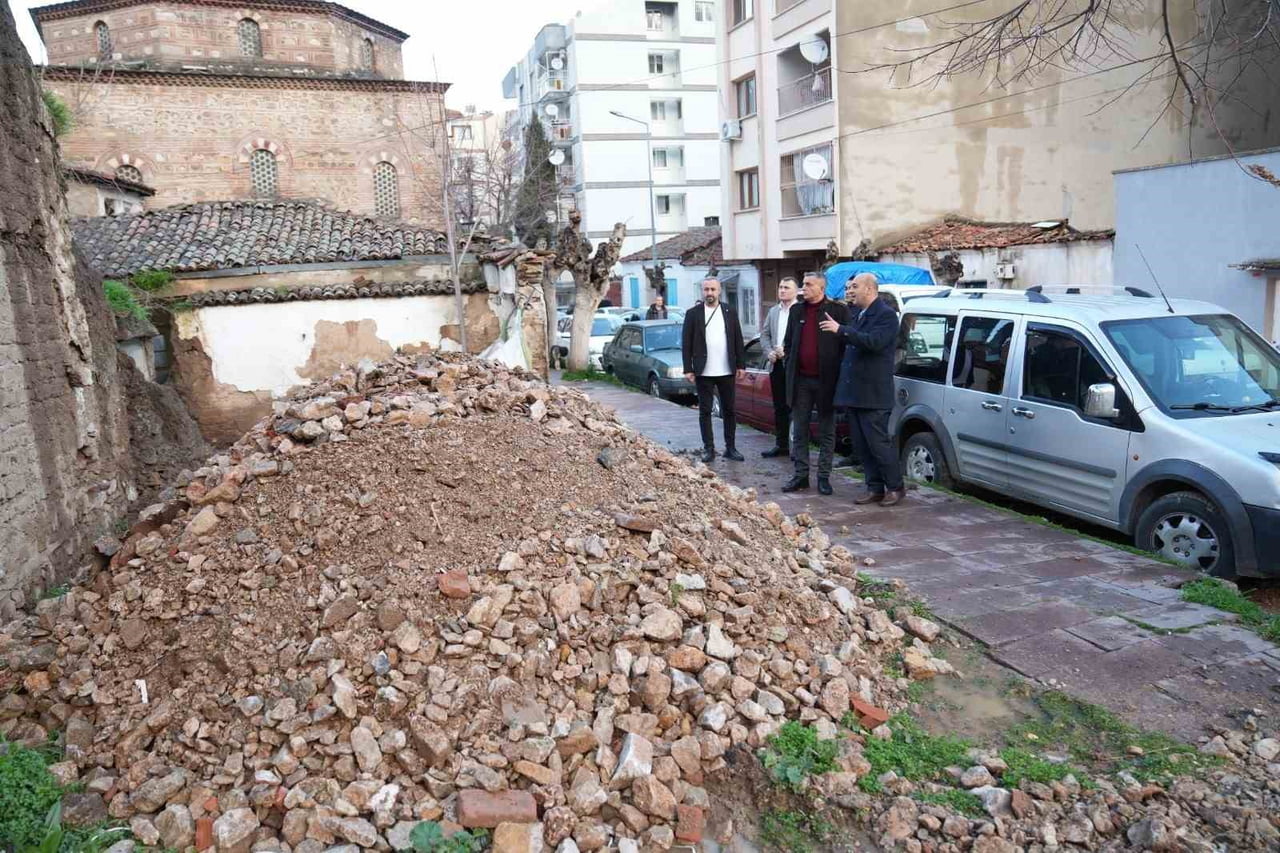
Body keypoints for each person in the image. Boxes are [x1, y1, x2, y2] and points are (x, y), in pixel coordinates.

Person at [824, 273, 906, 506]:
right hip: (855, 393)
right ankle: (874, 487)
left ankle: (895, 487)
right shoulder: (857, 314)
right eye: (849, 287)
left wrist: (841, 330)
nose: (850, 291)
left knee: (878, 444)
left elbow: (873, 342)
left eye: (855, 286)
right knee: (862, 446)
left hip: (874, 394)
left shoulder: (886, 315)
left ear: (869, 289)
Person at [782, 272, 850, 494]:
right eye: (803, 284)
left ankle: (823, 477)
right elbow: (789, 342)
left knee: (826, 431)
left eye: (809, 284)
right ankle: (801, 475)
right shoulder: (797, 310)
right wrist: (789, 362)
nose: (804, 287)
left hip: (827, 381)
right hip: (801, 380)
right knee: (800, 429)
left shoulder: (838, 311)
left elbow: (847, 344)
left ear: (821, 288)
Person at [682, 277, 747, 464]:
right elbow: (686, 342)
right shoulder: (693, 314)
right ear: (702, 291)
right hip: (703, 371)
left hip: (726, 369)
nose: (709, 293)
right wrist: (688, 368)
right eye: (706, 289)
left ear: (719, 291)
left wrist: (741, 365)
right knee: (705, 411)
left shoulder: (729, 311)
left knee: (729, 410)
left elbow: (738, 338)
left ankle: (730, 448)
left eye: (713, 289)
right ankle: (708, 448)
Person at [758, 276, 798, 458]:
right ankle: (781, 445)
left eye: (786, 287)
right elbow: (764, 334)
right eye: (780, 287)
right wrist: (769, 352)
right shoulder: (774, 311)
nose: (782, 290)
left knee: (795, 408)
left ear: (796, 291)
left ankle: (797, 448)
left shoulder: (800, 311)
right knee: (779, 407)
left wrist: (787, 351)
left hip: (795, 366)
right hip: (776, 365)